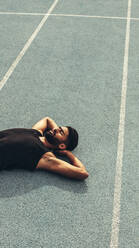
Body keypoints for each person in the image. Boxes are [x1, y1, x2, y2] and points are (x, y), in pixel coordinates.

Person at [0, 117, 89, 180]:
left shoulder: (45, 157)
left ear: (62, 146)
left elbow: (82, 173)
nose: (56, 129)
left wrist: (68, 154)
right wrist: (56, 131)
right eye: (59, 128)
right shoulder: (36, 132)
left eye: (61, 132)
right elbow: (47, 120)